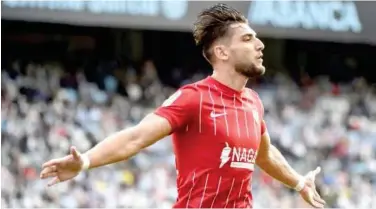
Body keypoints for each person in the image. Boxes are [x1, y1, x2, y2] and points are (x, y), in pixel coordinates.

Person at [40, 4, 326, 208]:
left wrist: (299, 183)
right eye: (248, 39)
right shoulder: (194, 98)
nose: (260, 45)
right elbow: (136, 137)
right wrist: (86, 161)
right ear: (222, 51)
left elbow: (264, 155)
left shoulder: (253, 102)